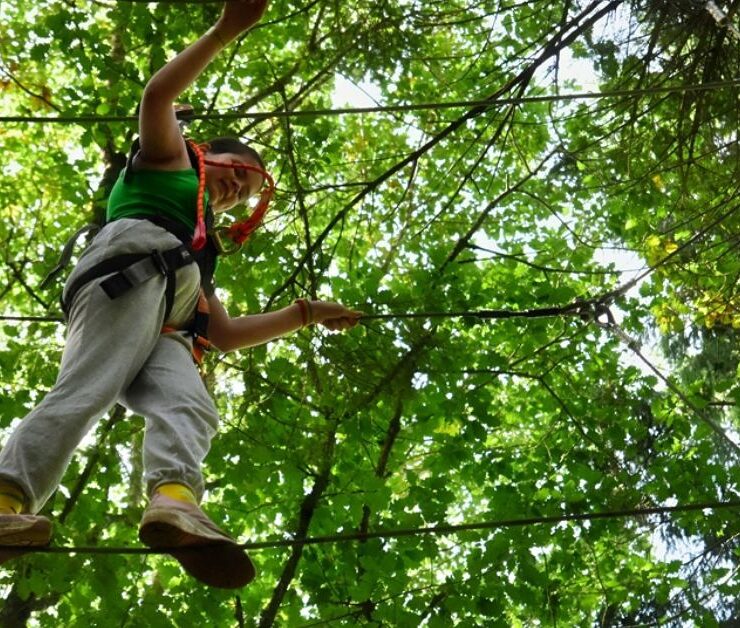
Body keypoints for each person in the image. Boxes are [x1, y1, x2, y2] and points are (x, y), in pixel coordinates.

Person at [0, 0, 360, 589]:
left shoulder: (198, 249)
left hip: (168, 313)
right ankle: (6, 496)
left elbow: (222, 334)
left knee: (190, 406)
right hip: (130, 274)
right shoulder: (171, 162)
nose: (233, 191)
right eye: (234, 173)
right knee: (87, 389)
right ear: (208, 155)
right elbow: (157, 100)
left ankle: (173, 499)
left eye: (242, 193)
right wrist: (228, 28)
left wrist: (307, 313)